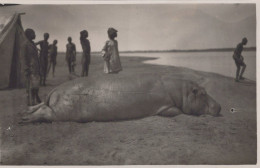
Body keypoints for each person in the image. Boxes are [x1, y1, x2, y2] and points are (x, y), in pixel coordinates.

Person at [23, 28, 42, 106]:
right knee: (30, 88)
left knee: (36, 87)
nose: (35, 35)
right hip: (30, 69)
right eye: (33, 33)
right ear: (28, 35)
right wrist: (27, 69)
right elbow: (23, 58)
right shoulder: (25, 45)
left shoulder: (33, 44)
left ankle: (35, 102)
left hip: (36, 69)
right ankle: (30, 104)